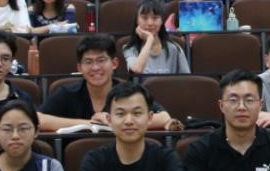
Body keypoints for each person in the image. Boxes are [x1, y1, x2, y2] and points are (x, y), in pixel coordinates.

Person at [71, 82, 193, 171]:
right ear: (109, 120)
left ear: (150, 118)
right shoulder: (95, 158)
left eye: (137, 113)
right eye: (120, 114)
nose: (128, 121)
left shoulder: (164, 156)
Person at [38, 34, 179, 132]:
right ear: (79, 68)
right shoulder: (67, 93)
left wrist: (112, 121)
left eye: (101, 60)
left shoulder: (129, 92)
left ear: (114, 63)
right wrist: (88, 124)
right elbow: (38, 119)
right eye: (88, 62)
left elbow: (163, 117)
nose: (95, 68)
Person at [122, 0, 191, 75]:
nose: (150, 23)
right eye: (144, 18)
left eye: (155, 18)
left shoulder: (175, 49)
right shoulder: (130, 49)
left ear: (162, 21)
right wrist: (149, 40)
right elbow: (137, 69)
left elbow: (186, 79)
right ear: (137, 21)